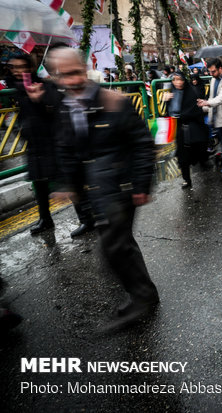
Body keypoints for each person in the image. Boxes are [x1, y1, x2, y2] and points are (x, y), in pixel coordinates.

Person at [47, 47, 159, 323]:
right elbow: (65, 147)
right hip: (95, 191)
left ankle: (142, 299)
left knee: (114, 248)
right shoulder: (64, 106)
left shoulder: (114, 101)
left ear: (84, 70)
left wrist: (141, 186)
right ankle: (145, 295)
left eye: (75, 73)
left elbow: (143, 145)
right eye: (64, 75)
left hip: (119, 187)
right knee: (118, 247)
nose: (71, 81)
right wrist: (68, 183)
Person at [6, 52, 95, 237]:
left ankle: (86, 218)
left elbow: (55, 109)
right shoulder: (13, 88)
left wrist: (38, 100)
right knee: (39, 184)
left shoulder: (43, 85)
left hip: (52, 141)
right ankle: (45, 219)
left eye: (22, 67)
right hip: (34, 143)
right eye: (14, 67)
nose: (18, 71)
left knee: (70, 181)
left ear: (30, 67)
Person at [163, 72, 209, 189]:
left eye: (180, 80)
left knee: (195, 152)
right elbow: (166, 113)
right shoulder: (171, 94)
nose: (178, 82)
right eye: (175, 80)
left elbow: (194, 111)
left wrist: (182, 115)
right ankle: (186, 179)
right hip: (179, 130)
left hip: (192, 128)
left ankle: (202, 161)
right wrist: (165, 101)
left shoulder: (191, 92)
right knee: (182, 156)